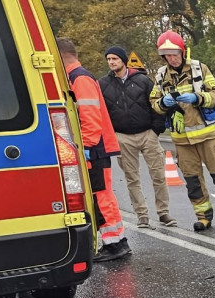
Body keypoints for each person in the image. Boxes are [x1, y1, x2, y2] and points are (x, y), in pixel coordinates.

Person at [149, 31, 215, 231]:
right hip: (182, 140)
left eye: (174, 54)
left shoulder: (199, 69)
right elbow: (154, 104)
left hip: (207, 136)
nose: (171, 58)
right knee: (193, 182)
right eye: (167, 55)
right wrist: (163, 103)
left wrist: (198, 98)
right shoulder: (160, 75)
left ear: (182, 52)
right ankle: (203, 217)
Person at [57, 38, 129, 261]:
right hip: (95, 147)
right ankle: (116, 241)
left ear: (61, 55)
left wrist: (86, 147)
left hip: (94, 148)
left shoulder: (79, 78)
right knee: (102, 195)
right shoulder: (78, 76)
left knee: (100, 197)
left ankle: (114, 245)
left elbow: (90, 117)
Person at [99, 46, 176, 229]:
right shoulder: (102, 84)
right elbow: (102, 112)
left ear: (123, 60)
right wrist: (112, 135)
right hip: (122, 137)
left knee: (158, 175)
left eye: (115, 59)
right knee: (132, 178)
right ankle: (142, 215)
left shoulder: (142, 80)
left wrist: (155, 130)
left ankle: (163, 212)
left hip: (147, 134)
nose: (111, 62)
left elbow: (156, 104)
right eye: (109, 59)